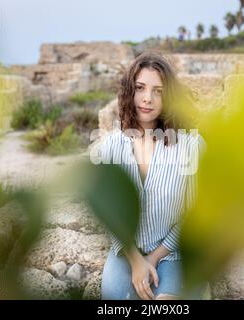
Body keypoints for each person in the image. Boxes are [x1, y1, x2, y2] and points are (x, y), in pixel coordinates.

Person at [98, 52, 207, 300]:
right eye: (140, 88)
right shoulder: (111, 146)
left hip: (175, 252)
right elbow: (110, 213)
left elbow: (193, 216)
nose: (148, 98)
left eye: (158, 91)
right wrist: (137, 261)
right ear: (130, 91)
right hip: (126, 253)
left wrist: (154, 257)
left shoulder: (191, 146)